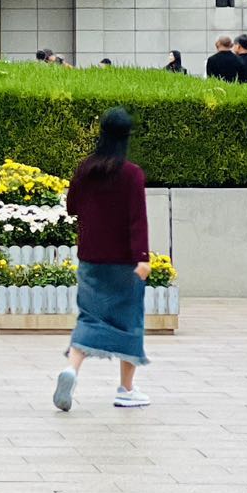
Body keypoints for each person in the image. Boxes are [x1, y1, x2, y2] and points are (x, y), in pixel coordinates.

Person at [53, 108, 151, 413]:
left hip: (91, 258)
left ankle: (71, 370)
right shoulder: (132, 174)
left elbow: (71, 206)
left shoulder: (87, 169)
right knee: (129, 321)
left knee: (89, 316)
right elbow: (138, 219)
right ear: (125, 137)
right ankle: (126, 389)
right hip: (123, 262)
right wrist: (143, 259)